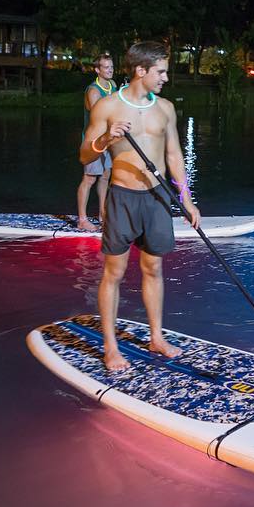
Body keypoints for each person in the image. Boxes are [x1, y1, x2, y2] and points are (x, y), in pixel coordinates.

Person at [80, 41, 200, 371]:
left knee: (154, 268)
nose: (165, 77)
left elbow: (174, 155)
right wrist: (105, 140)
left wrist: (187, 200)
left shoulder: (165, 108)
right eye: (160, 71)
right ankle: (110, 346)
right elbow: (84, 155)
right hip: (123, 198)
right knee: (114, 273)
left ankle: (157, 337)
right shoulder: (106, 107)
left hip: (158, 198)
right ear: (141, 71)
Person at [76, 53, 116, 230]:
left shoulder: (113, 85)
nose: (110, 70)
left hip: (108, 138)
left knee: (106, 176)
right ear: (97, 70)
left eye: (112, 67)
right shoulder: (93, 91)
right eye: (106, 67)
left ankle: (102, 213)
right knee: (89, 178)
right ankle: (82, 220)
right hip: (93, 141)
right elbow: (98, 117)